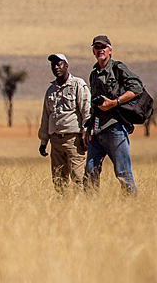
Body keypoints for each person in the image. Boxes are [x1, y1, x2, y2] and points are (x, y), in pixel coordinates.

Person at [83, 35, 143, 196]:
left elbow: (137, 88)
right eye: (96, 47)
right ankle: (90, 210)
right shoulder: (94, 73)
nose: (100, 49)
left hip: (115, 128)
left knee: (122, 172)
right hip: (96, 131)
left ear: (110, 50)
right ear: (93, 51)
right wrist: (89, 128)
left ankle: (131, 206)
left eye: (103, 46)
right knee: (90, 172)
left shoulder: (118, 68)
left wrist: (114, 102)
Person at [38, 53, 91, 193]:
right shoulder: (51, 90)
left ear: (66, 66)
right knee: (58, 179)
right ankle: (63, 207)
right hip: (55, 141)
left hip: (74, 139)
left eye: (59, 64)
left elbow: (87, 111)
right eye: (53, 65)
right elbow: (46, 116)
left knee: (78, 178)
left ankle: (80, 207)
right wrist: (44, 141)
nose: (56, 67)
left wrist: (86, 136)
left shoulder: (78, 84)